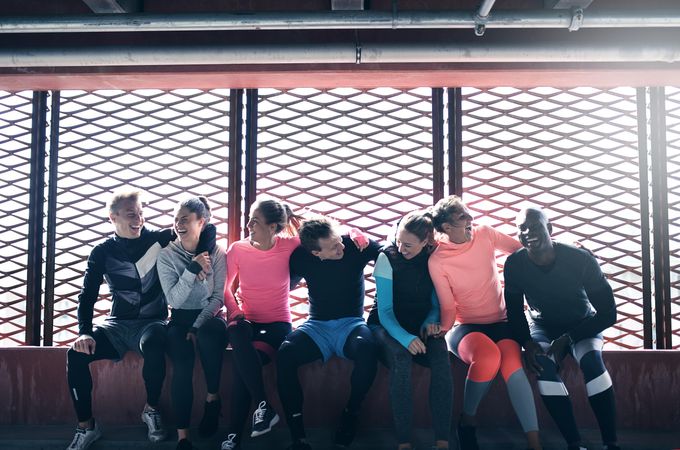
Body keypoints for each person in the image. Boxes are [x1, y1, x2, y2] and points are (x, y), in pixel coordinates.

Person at [65, 189, 216, 450]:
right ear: (113, 217)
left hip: (152, 323)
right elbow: (87, 295)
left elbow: (208, 229)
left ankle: (151, 408)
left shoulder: (158, 239)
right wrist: (84, 332)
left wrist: (198, 258)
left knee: (156, 344)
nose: (138, 219)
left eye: (141, 214)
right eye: (131, 214)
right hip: (116, 326)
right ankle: (87, 426)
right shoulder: (102, 252)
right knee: (75, 355)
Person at [428, 195, 541, 450]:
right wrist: (443, 330)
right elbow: (447, 306)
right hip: (465, 327)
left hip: (502, 322)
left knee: (513, 363)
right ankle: (466, 423)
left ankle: (535, 444)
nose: (471, 219)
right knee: (488, 357)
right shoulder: (437, 260)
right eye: (462, 217)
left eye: (469, 213)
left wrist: (562, 249)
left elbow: (521, 250)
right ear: (446, 227)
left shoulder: (485, 234)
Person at [504, 207, 619, 450]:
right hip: (543, 328)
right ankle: (574, 444)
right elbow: (514, 312)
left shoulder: (580, 259)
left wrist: (568, 338)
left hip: (582, 325)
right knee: (543, 366)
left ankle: (611, 443)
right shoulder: (514, 264)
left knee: (591, 363)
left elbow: (609, 314)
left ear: (550, 228)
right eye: (521, 228)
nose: (527, 232)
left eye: (534, 226)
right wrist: (527, 342)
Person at [277, 216, 381, 450]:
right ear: (316, 253)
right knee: (286, 354)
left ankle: (351, 413)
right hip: (317, 326)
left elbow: (389, 252)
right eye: (333, 246)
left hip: (351, 324)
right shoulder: (301, 257)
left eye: (339, 240)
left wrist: (364, 237)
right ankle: (298, 436)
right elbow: (283, 282)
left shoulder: (353, 244)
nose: (341, 247)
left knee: (367, 349)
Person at [219, 198, 303, 450]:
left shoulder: (291, 245)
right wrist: (234, 311)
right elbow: (224, 289)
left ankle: (233, 435)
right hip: (247, 321)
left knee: (244, 367)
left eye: (255, 220)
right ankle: (263, 406)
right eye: (249, 219)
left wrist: (356, 237)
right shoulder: (237, 249)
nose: (248, 225)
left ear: (273, 226)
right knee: (236, 330)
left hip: (278, 325)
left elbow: (322, 237)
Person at [367, 211, 452, 450]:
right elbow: (384, 311)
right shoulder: (387, 257)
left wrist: (431, 321)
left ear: (425, 242)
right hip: (385, 325)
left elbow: (436, 302)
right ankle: (404, 441)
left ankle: (442, 441)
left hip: (420, 323)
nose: (401, 248)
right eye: (399, 241)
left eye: (409, 245)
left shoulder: (434, 257)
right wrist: (406, 338)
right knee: (401, 358)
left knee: (440, 357)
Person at [157, 196, 228, 450]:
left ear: (202, 222)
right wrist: (190, 270)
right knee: (182, 365)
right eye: (176, 220)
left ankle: (212, 399)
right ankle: (183, 437)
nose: (179, 224)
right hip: (179, 320)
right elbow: (174, 300)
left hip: (209, 317)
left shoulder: (217, 252)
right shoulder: (166, 256)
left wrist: (197, 325)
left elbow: (218, 296)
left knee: (209, 337)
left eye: (185, 219)